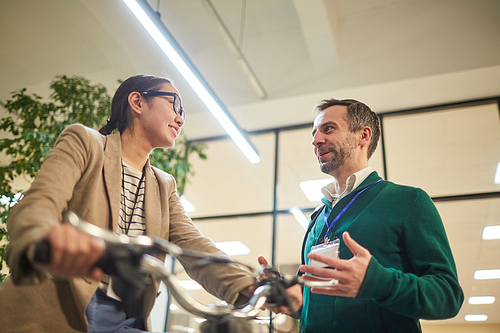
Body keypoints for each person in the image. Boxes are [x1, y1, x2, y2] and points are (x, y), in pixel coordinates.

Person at [0, 75, 255, 332]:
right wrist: (45, 239)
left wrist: (251, 286)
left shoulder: (163, 185)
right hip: (55, 307)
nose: (180, 118)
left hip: (124, 316)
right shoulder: (85, 143)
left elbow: (194, 247)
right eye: (174, 105)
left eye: (183, 113)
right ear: (137, 102)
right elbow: (39, 203)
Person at [261, 98, 464, 332]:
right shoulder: (318, 218)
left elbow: (448, 295)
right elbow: (315, 299)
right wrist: (288, 296)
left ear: (363, 136)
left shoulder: (409, 201)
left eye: (328, 129)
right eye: (314, 133)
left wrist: (379, 283)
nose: (316, 140)